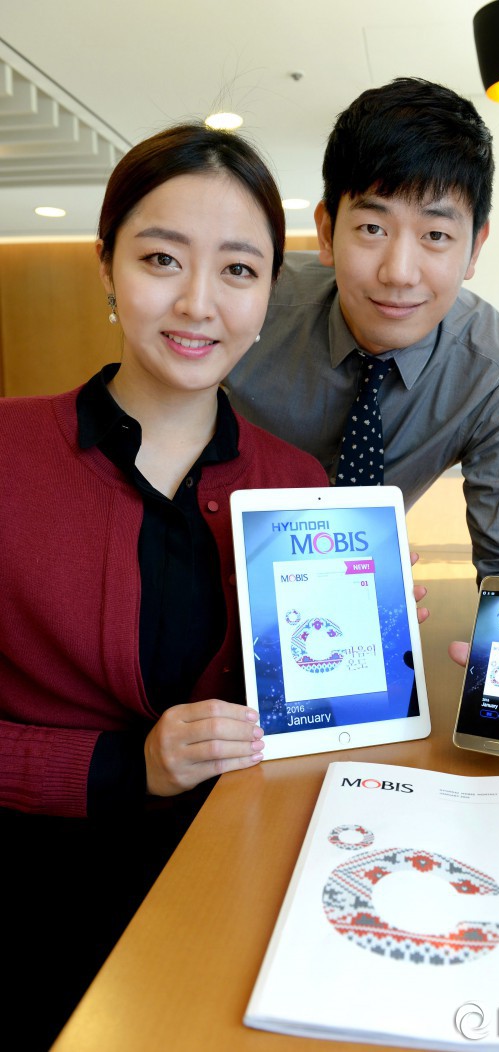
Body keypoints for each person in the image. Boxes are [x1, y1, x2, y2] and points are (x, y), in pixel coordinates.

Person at [0, 122, 327, 1049]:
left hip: (241, 896)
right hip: (40, 904)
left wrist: (396, 659)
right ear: (106, 266)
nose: (197, 303)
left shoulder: (298, 486)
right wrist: (122, 768)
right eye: (160, 258)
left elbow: (317, 729)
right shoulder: (8, 454)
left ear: (267, 294)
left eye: (237, 270)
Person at [228, 77, 499, 738]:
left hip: (350, 642)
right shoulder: (251, 306)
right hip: (211, 600)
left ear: (475, 248)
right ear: (326, 231)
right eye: (372, 227)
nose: (399, 271)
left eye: (436, 235)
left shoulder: (497, 370)